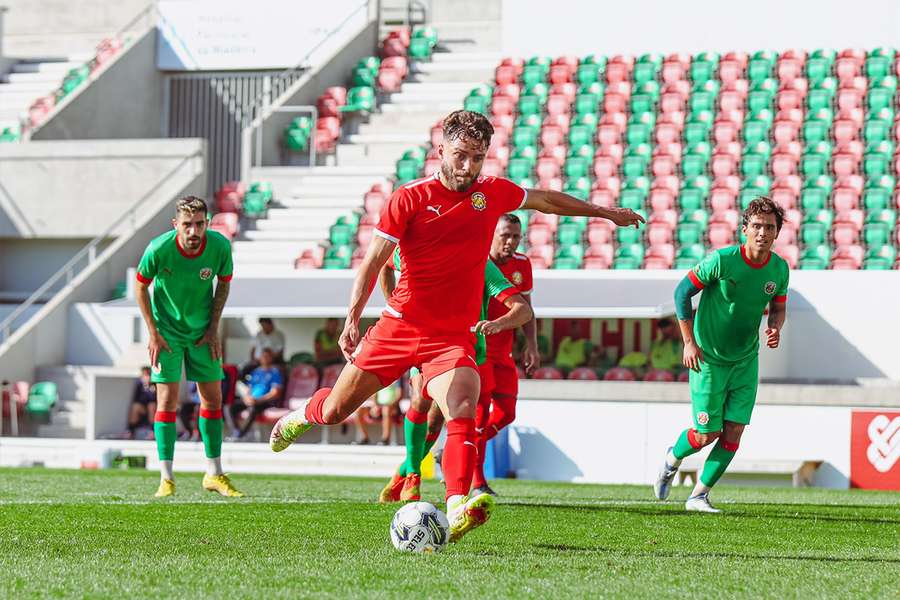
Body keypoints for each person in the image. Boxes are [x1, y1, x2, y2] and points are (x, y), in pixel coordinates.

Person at [268, 109, 643, 542]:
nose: (468, 168)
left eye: (478, 158)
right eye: (462, 156)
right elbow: (372, 263)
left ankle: (457, 503)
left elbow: (546, 200)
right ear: (441, 149)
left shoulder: (491, 194)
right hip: (400, 327)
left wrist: (604, 212)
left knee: (462, 408)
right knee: (334, 412)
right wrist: (352, 317)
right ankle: (300, 417)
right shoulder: (408, 198)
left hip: (451, 337)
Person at [653, 197, 789, 513]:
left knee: (734, 431)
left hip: (745, 360)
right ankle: (672, 458)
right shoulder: (723, 260)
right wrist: (688, 342)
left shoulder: (780, 269)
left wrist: (775, 326)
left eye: (769, 227)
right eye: (756, 226)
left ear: (776, 233)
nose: (762, 233)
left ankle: (698, 495)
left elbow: (779, 307)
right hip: (708, 359)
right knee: (706, 434)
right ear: (745, 229)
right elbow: (681, 293)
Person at [378, 245, 532, 503]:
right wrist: (395, 307)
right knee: (419, 399)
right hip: (422, 337)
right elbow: (384, 264)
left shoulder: (480, 264)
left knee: (438, 422)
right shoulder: (423, 251)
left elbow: (523, 310)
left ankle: (403, 473)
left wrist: (497, 324)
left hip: (461, 350)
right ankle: (413, 476)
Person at [135, 195, 243, 498]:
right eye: (187, 225)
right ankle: (166, 478)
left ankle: (214, 473)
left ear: (207, 223)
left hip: (202, 334)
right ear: (176, 225)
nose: (193, 232)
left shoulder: (220, 246)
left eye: (199, 224)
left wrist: (213, 329)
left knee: (213, 400)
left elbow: (224, 283)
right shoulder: (159, 249)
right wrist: (153, 333)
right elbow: (140, 284)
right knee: (167, 403)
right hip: (167, 335)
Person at [470, 213, 539, 496]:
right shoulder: (477, 263)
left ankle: (460, 451)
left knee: (506, 413)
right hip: (479, 353)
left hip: (505, 352)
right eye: (505, 236)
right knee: (478, 416)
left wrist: (531, 344)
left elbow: (528, 307)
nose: (510, 242)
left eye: (515, 237)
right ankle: (477, 483)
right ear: (492, 234)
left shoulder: (522, 264)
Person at [230, 348, 283, 440]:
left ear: (271, 358)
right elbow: (249, 389)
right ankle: (236, 431)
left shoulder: (275, 372)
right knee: (230, 407)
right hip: (252, 399)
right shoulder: (256, 372)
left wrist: (258, 400)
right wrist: (247, 398)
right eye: (263, 356)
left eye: (268, 356)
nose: (265, 358)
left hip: (265, 401)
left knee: (253, 409)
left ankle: (240, 435)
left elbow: (275, 393)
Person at [127, 366, 156, 439]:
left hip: (153, 408)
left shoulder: (155, 384)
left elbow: (154, 400)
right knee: (135, 407)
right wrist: (145, 387)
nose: (147, 377)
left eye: (148, 375)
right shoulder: (139, 385)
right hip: (143, 408)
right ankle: (130, 431)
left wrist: (150, 388)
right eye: (145, 375)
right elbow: (136, 399)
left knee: (151, 406)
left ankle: (153, 432)